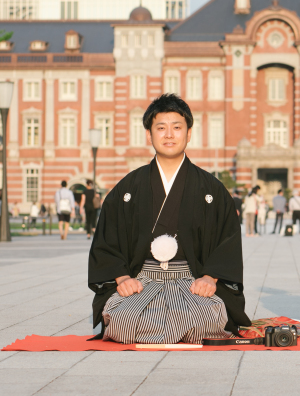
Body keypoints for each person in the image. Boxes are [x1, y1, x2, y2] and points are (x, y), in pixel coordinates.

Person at [88, 93, 249, 344]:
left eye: (177, 127)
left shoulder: (211, 188)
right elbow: (106, 240)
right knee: (124, 321)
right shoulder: (129, 187)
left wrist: (210, 278)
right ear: (149, 135)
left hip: (192, 281)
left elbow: (227, 239)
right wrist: (122, 278)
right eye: (160, 128)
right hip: (142, 280)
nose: (169, 135)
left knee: (205, 318)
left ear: (189, 133)